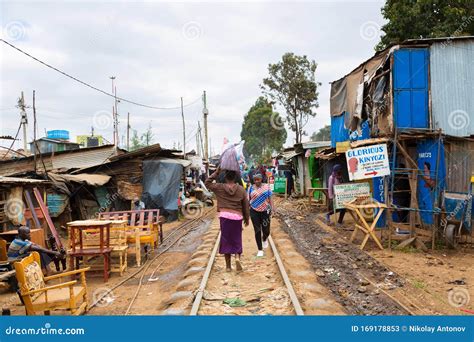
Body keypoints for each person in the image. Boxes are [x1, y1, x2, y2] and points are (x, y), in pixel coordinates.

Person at [205, 166, 250, 272]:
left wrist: (216, 172)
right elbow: (246, 205)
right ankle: (238, 258)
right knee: (236, 238)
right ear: (235, 177)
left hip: (225, 216)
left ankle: (228, 267)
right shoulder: (241, 190)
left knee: (226, 240)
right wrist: (246, 219)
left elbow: (207, 183)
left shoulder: (219, 187)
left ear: (225, 177)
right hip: (237, 217)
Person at [248, 173, 274, 257]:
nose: (256, 181)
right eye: (255, 180)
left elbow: (270, 198)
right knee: (257, 230)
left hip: (266, 210)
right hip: (254, 211)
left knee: (266, 230)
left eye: (258, 179)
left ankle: (264, 238)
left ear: (261, 179)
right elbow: (248, 200)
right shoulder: (251, 188)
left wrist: (273, 208)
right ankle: (260, 249)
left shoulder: (266, 187)